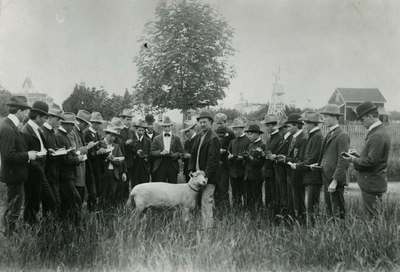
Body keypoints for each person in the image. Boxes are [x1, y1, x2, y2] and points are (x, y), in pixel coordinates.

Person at [343, 101, 391, 218]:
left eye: (362, 119)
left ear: (370, 116)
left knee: (372, 218)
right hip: (374, 182)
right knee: (375, 216)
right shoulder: (379, 132)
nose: (361, 122)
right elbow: (374, 158)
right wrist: (358, 156)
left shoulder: (377, 135)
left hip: (371, 184)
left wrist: (353, 160)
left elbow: (371, 162)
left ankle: (375, 236)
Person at [0, 96, 35, 235]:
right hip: (13, 175)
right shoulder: (8, 128)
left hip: (15, 174)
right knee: (13, 208)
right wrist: (28, 155)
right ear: (19, 111)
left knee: (13, 207)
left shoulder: (9, 125)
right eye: (25, 111)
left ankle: (9, 233)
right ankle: (9, 236)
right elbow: (8, 155)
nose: (27, 115)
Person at [22, 101, 56, 224]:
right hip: (33, 171)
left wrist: (47, 150)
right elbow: (26, 154)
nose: (45, 121)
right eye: (44, 118)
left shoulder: (38, 130)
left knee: (39, 200)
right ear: (37, 116)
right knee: (32, 201)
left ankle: (36, 225)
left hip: (41, 169)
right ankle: (30, 226)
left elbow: (41, 147)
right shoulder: (26, 131)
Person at [189, 111, 220, 229]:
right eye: (200, 122)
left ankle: (207, 227)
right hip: (196, 176)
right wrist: (191, 169)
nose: (202, 124)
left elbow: (213, 160)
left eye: (205, 122)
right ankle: (198, 225)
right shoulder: (198, 136)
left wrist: (206, 174)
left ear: (211, 123)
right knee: (195, 202)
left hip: (207, 177)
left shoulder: (214, 138)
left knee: (206, 201)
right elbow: (193, 154)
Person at [319, 104, 350, 220]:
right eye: (324, 117)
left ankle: (340, 233)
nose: (324, 119)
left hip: (334, 179)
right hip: (327, 176)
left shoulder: (342, 135)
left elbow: (343, 160)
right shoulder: (329, 134)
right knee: (329, 209)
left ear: (335, 117)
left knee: (337, 210)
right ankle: (332, 234)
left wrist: (335, 180)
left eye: (326, 117)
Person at [296, 112, 323, 226]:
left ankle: (313, 229)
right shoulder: (313, 136)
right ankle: (311, 227)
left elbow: (313, 157)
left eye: (305, 123)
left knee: (312, 205)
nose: (304, 126)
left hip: (314, 176)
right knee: (310, 205)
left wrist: (299, 165)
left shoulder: (317, 136)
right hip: (310, 175)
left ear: (311, 124)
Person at [278, 113, 306, 219]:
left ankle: (300, 219)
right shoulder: (293, 137)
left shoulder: (302, 138)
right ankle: (292, 217)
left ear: (296, 125)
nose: (287, 129)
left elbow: (300, 158)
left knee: (298, 198)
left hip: (297, 172)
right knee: (292, 197)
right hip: (291, 172)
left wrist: (286, 159)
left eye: (289, 126)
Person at [55, 112, 83, 223]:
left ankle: (67, 225)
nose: (73, 128)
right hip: (65, 176)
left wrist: (74, 154)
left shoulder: (64, 136)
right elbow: (64, 159)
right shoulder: (60, 136)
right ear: (66, 124)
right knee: (75, 200)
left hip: (68, 175)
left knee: (69, 202)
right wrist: (78, 159)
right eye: (72, 125)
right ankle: (73, 225)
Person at [69, 110, 97, 204]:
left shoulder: (80, 132)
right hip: (76, 171)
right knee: (76, 200)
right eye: (86, 125)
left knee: (80, 198)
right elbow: (74, 151)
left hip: (81, 171)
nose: (86, 128)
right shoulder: (72, 132)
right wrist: (88, 147)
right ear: (81, 122)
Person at [41, 104, 64, 216]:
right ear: (49, 117)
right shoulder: (43, 131)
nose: (59, 121)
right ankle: (47, 229)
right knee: (52, 202)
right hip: (47, 173)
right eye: (57, 118)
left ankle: (50, 228)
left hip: (53, 172)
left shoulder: (52, 132)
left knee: (53, 203)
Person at [101, 122, 127, 208]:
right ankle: (101, 212)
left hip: (113, 173)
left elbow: (121, 160)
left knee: (112, 193)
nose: (113, 138)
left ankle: (110, 212)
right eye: (111, 135)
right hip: (103, 173)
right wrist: (106, 158)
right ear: (106, 134)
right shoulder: (101, 144)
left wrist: (112, 160)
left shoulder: (116, 146)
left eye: (114, 136)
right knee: (103, 193)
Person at [85, 112, 107, 210]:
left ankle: (96, 209)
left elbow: (102, 145)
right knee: (92, 190)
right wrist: (97, 152)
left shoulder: (97, 134)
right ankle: (91, 209)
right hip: (90, 166)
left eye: (99, 123)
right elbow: (88, 151)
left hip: (98, 165)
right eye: (96, 123)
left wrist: (103, 150)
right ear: (92, 123)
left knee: (98, 188)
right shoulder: (87, 134)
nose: (98, 125)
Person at [151, 116, 183, 183]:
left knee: (173, 185)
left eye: (168, 126)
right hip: (160, 164)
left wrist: (174, 155)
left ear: (171, 126)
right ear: (162, 127)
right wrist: (160, 153)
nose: (167, 128)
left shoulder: (177, 138)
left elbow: (181, 152)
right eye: (165, 126)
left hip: (172, 164)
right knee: (161, 186)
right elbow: (152, 152)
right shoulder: (156, 138)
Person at [227, 118, 250, 209]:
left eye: (237, 129)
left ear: (242, 129)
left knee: (245, 193)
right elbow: (228, 154)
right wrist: (229, 158)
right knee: (235, 193)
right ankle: (236, 210)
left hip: (243, 172)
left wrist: (237, 157)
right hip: (233, 172)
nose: (235, 131)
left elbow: (248, 157)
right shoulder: (232, 141)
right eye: (234, 129)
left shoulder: (248, 141)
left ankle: (246, 210)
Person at [243, 124, 266, 214]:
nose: (249, 136)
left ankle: (258, 214)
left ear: (257, 134)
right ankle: (250, 213)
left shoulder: (262, 145)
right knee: (248, 196)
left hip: (257, 176)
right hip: (248, 175)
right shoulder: (249, 145)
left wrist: (248, 157)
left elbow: (260, 163)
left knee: (256, 196)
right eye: (248, 134)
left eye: (251, 134)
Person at [214, 113, 235, 209]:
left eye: (221, 123)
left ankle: (225, 208)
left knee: (224, 187)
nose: (219, 125)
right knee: (216, 187)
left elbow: (233, 147)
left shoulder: (230, 133)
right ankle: (217, 207)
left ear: (225, 122)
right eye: (217, 123)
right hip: (216, 164)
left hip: (225, 164)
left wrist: (225, 151)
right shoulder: (214, 132)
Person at [262, 114, 281, 212]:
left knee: (275, 195)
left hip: (275, 172)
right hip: (268, 171)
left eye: (266, 126)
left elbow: (278, 154)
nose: (266, 128)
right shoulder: (270, 138)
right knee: (269, 194)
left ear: (271, 125)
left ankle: (275, 215)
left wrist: (271, 156)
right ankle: (269, 214)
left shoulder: (279, 137)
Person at [274, 121, 292, 215]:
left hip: (285, 170)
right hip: (279, 169)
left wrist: (277, 157)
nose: (279, 131)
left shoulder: (290, 139)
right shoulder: (283, 139)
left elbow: (287, 154)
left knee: (285, 193)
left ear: (286, 128)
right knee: (281, 192)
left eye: (281, 129)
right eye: (278, 129)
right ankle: (282, 212)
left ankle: (286, 213)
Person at [129, 120, 151, 186]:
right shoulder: (132, 140)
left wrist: (146, 157)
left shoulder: (148, 141)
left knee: (144, 183)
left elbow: (150, 152)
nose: (141, 132)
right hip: (134, 165)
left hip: (144, 166)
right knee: (134, 183)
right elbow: (129, 151)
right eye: (139, 130)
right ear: (136, 130)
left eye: (142, 130)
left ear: (144, 131)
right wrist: (136, 152)